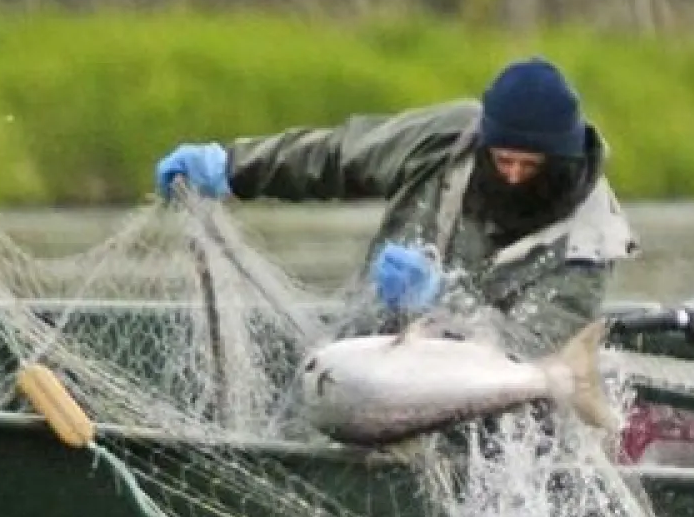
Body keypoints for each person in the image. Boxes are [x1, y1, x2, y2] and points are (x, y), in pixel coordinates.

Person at [154, 56, 637, 355]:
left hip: (484, 417)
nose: (511, 174)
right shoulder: (448, 138)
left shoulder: (592, 237)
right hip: (364, 354)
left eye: (529, 166)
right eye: (503, 159)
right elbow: (334, 157)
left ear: (561, 158)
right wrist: (234, 167)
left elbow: (530, 349)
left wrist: (441, 308)